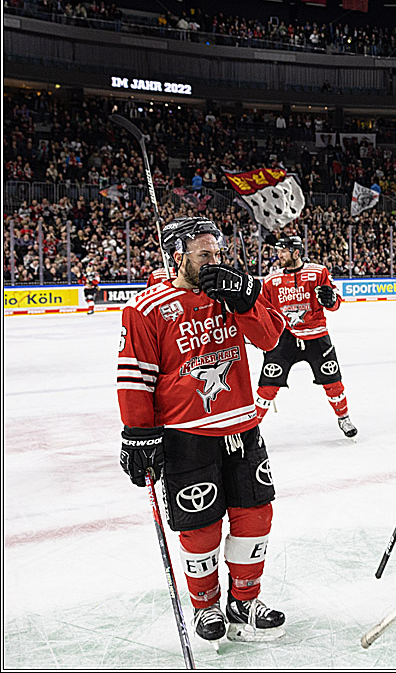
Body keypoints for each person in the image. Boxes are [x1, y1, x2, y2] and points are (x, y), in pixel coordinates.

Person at [117, 217, 288, 645]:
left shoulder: (230, 294)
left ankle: (245, 600)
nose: (215, 261)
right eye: (204, 255)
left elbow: (270, 339)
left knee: (256, 515)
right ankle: (206, 604)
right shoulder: (145, 307)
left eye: (218, 253)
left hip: (243, 426)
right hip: (185, 435)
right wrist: (138, 433)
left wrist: (246, 298)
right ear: (178, 256)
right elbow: (135, 377)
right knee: (201, 526)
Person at [253, 235, 357, 438]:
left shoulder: (319, 272)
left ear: (297, 252)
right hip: (284, 339)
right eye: (278, 251)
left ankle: (344, 418)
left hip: (317, 337)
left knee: (333, 382)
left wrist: (331, 299)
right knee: (267, 386)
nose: (279, 255)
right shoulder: (271, 280)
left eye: (283, 251)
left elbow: (335, 303)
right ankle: (252, 428)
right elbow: (263, 311)